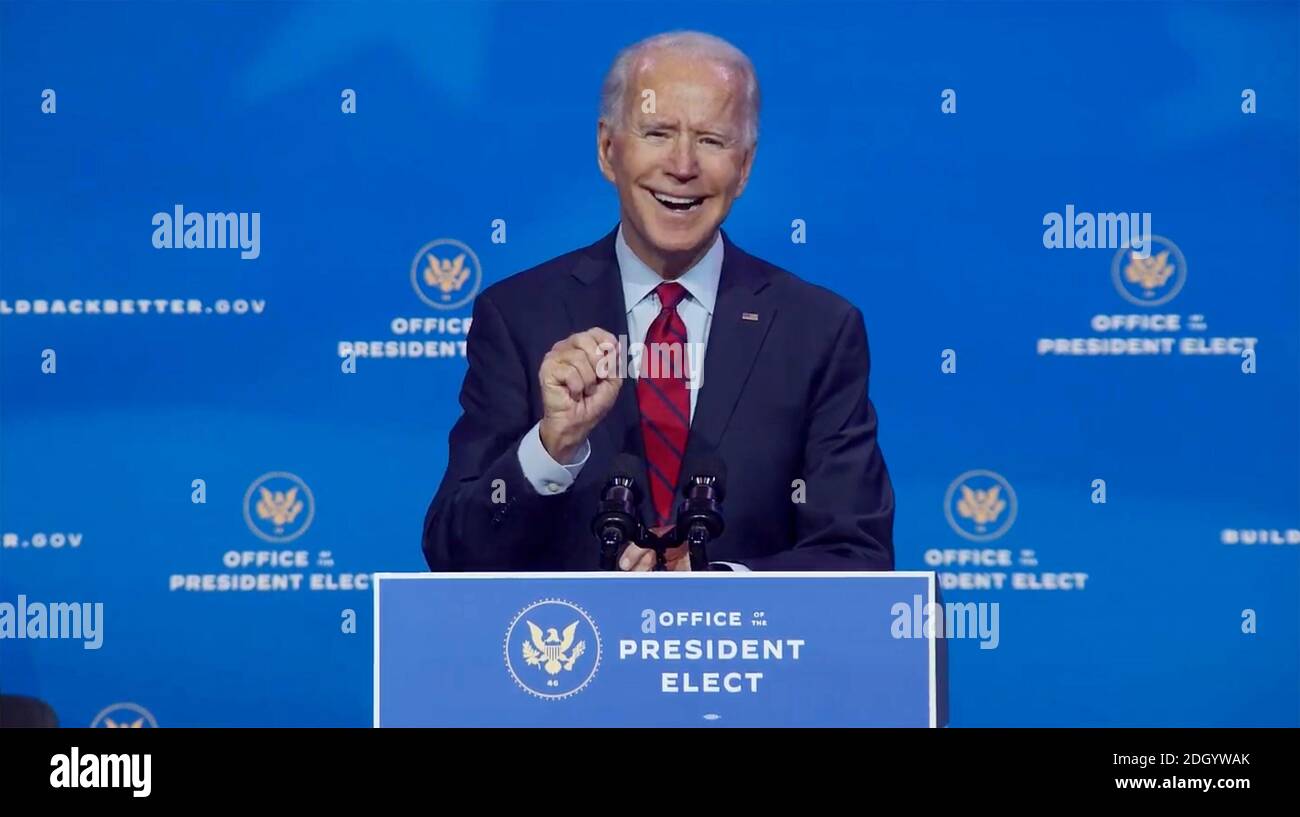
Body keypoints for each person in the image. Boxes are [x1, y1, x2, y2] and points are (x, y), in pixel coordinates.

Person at [423, 31, 893, 572]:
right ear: (608, 149)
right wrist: (552, 446)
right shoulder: (519, 316)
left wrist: (722, 592)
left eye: (712, 140)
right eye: (657, 133)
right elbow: (454, 555)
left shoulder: (817, 331)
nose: (683, 165)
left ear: (744, 166)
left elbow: (858, 557)